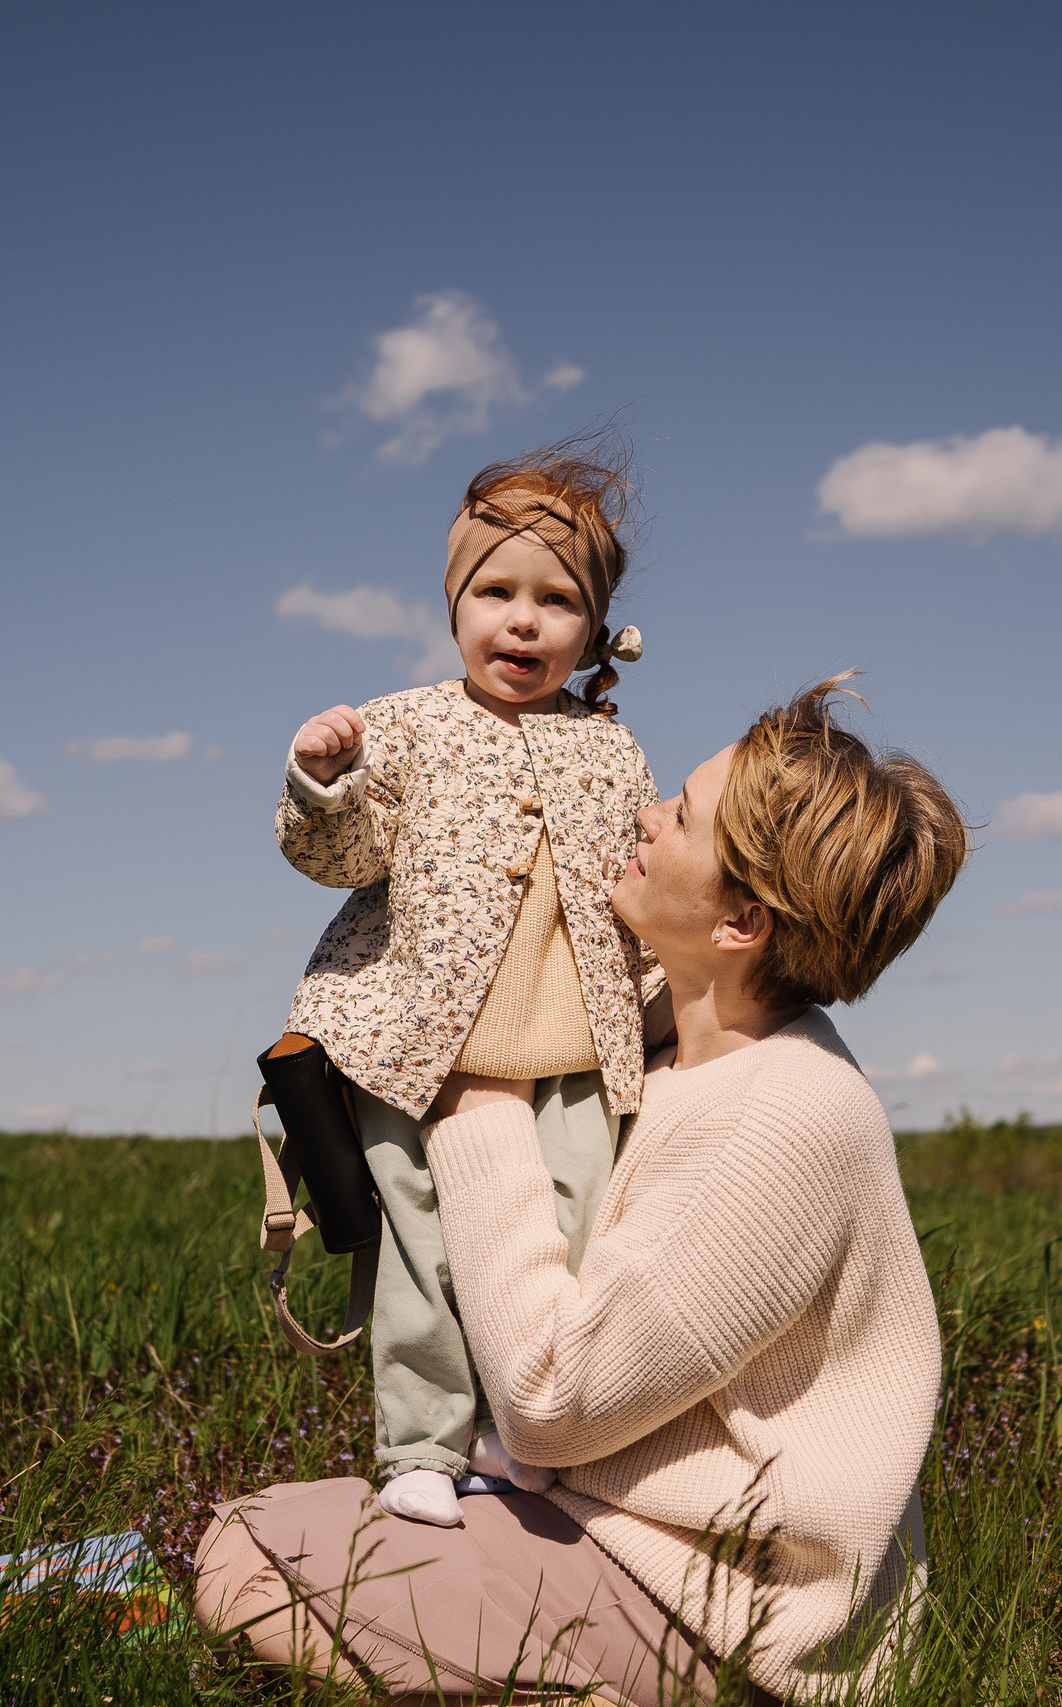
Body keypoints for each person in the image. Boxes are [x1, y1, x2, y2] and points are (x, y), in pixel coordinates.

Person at [201, 678, 969, 1705]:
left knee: (243, 1554)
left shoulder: (785, 1116)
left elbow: (552, 1411)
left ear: (739, 920)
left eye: (682, 815)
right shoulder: (669, 1057)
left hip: (722, 1608)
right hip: (631, 1542)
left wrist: (479, 1106)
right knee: (279, 1531)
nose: (647, 815)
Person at [277, 429, 659, 1528]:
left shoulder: (610, 750)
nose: (523, 620)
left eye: (556, 601)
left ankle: (525, 1426)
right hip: (415, 1044)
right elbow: (339, 863)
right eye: (495, 590)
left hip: (574, 1046)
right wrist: (322, 782)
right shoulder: (401, 725)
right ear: (454, 605)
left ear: (593, 630)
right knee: (424, 1244)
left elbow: (633, 889)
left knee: (577, 1237)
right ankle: (421, 1445)